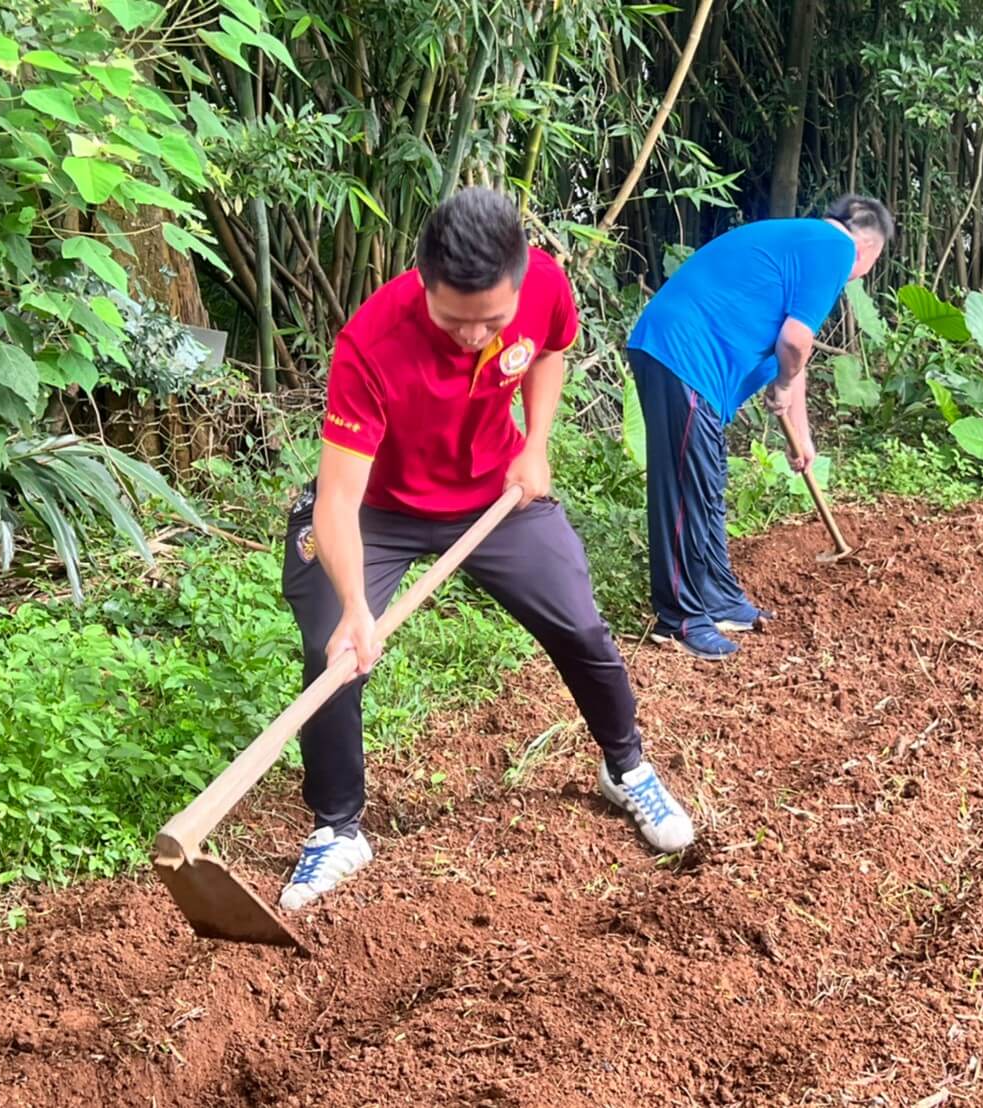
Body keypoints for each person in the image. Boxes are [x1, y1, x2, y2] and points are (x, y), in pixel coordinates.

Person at [279, 187, 695, 910]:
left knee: (580, 623)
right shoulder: (371, 343)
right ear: (422, 281)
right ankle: (338, 827)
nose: (474, 336)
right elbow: (338, 498)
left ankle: (625, 768)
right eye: (454, 320)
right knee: (331, 652)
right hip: (381, 509)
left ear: (521, 276)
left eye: (492, 321)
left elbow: (552, 352)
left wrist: (534, 445)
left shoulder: (544, 287)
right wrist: (354, 606)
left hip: (496, 495)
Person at [625, 195, 894, 660]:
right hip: (683, 355)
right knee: (686, 490)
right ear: (869, 248)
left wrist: (802, 434)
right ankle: (680, 619)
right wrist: (785, 382)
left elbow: (793, 357)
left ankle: (721, 600)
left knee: (707, 485)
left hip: (686, 359)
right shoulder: (834, 250)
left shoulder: (804, 244)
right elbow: (794, 344)